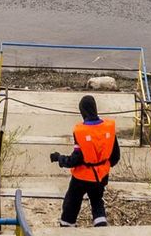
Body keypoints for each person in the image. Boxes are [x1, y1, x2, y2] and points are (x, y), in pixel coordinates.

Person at [50, 94, 119, 228]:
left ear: (82, 111)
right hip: (101, 176)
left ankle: (66, 231)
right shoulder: (108, 128)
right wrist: (103, 167)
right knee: (97, 202)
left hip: (82, 177)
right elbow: (115, 156)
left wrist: (59, 158)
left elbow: (75, 160)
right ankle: (101, 230)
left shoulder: (81, 131)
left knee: (71, 203)